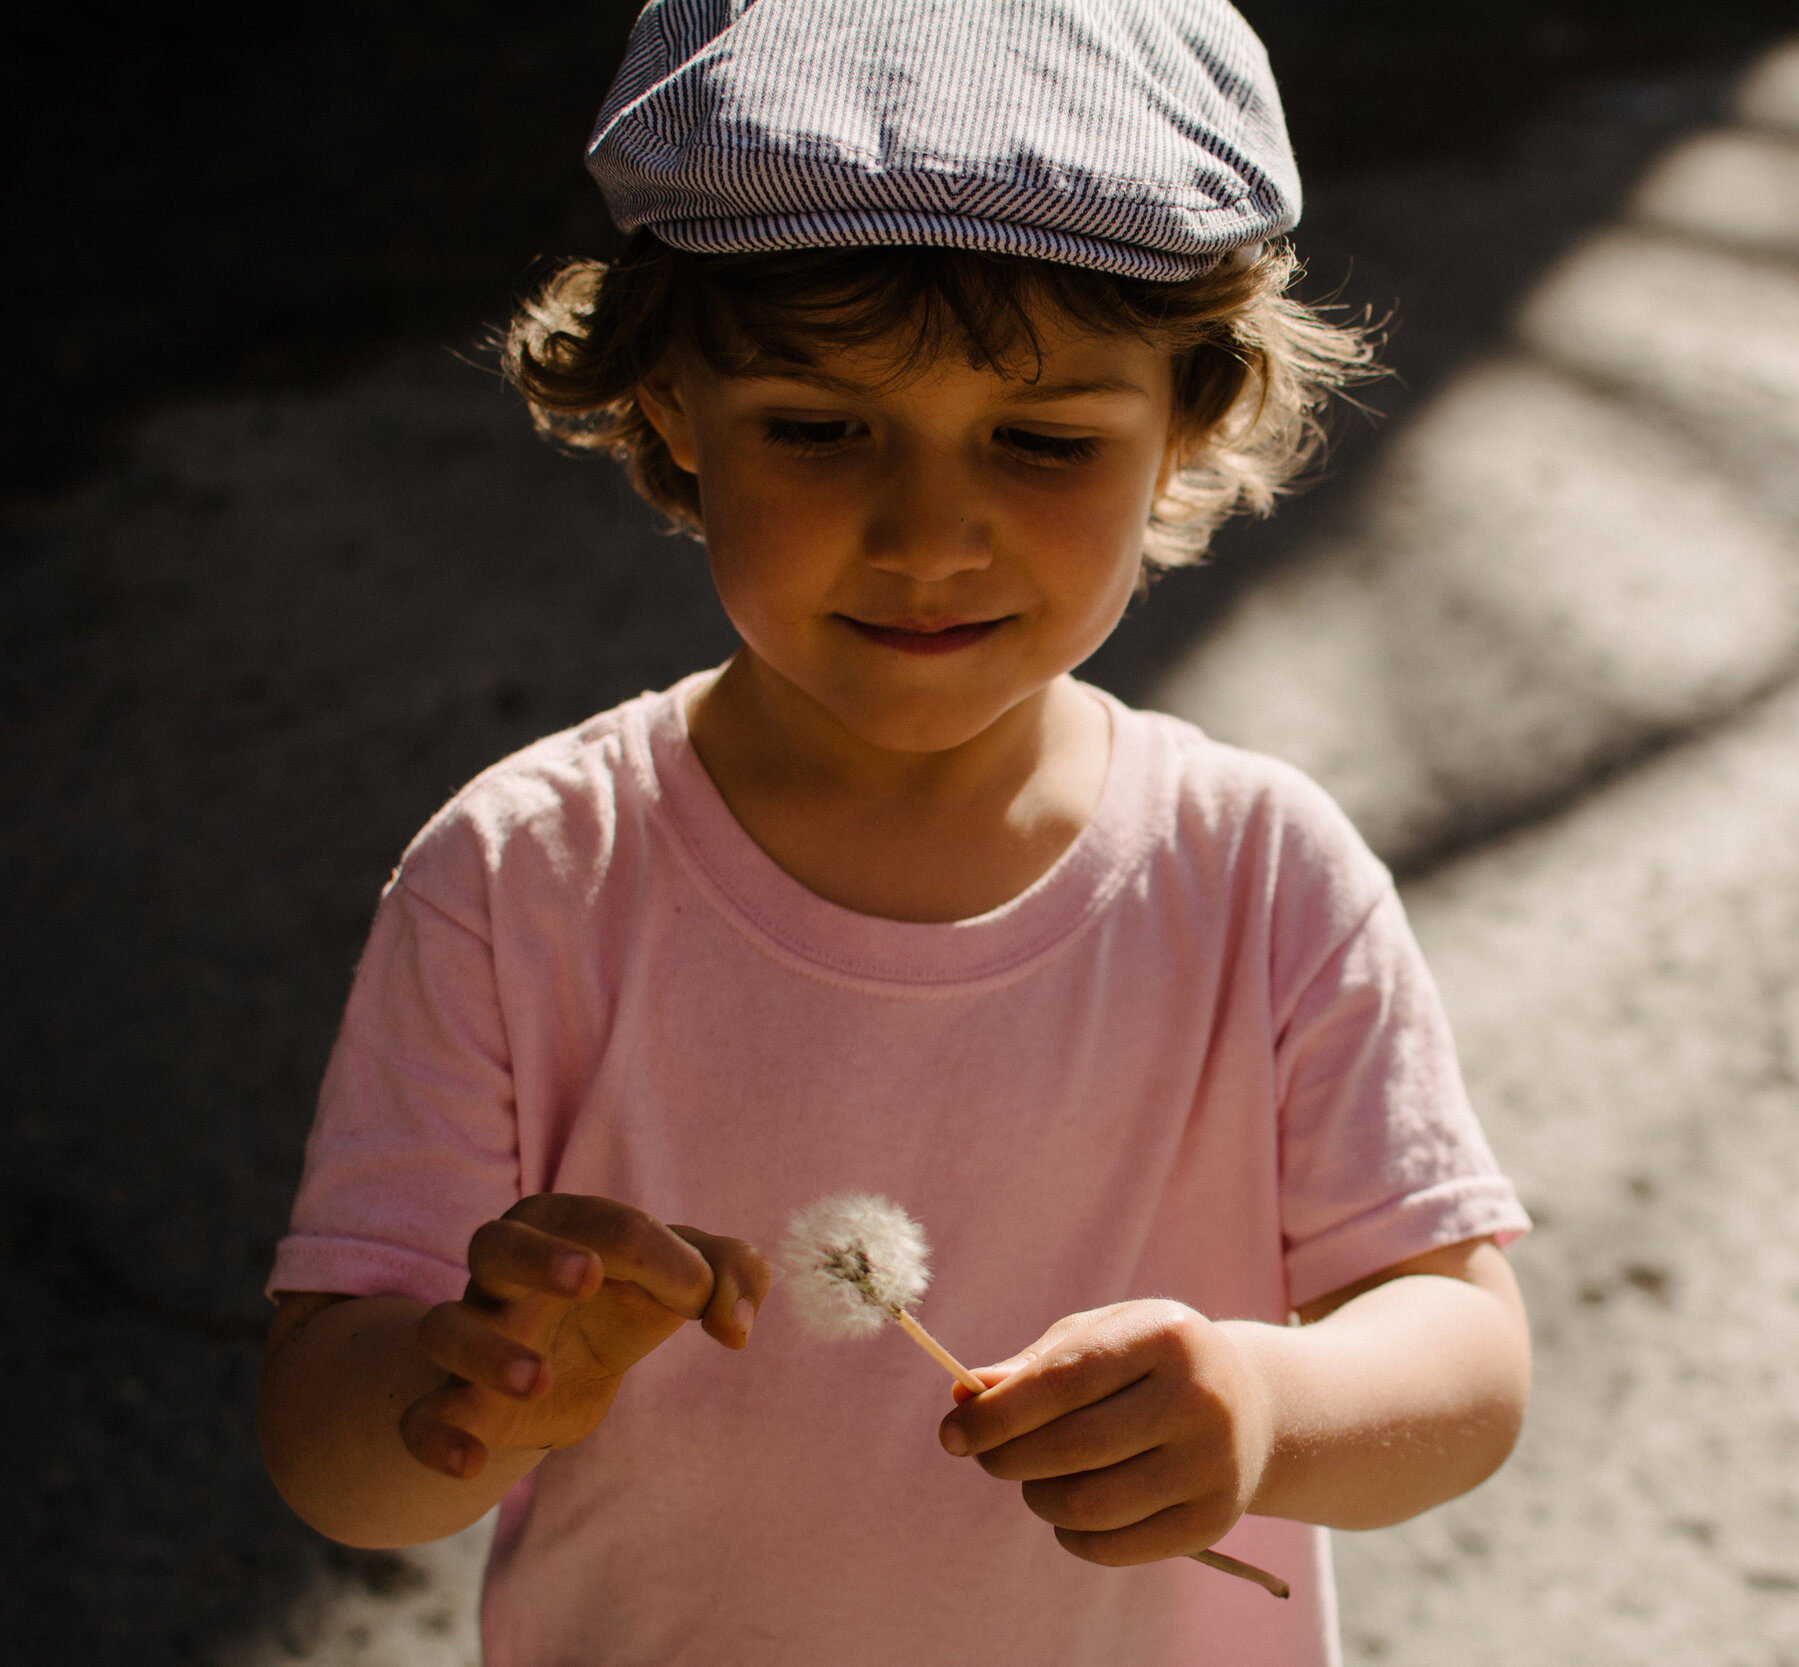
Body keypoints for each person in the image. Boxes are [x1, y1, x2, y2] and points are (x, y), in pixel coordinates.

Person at [256, 2, 1533, 1661]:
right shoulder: (518, 880)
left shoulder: (1261, 875)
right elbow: (330, 1453)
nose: (931, 535)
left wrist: (1270, 1405)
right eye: (818, 426)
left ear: (1186, 430)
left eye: (1043, 440)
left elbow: (1464, 1359)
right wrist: (470, 1387)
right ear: (667, 413)